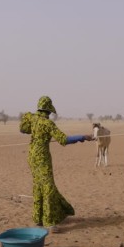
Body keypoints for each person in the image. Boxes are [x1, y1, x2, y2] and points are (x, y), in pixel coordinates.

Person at [20, 96, 93, 233]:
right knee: (48, 187)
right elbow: (63, 140)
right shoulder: (48, 124)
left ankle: (38, 218)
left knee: (38, 185)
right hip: (42, 157)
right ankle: (48, 222)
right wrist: (82, 137)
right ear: (48, 110)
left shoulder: (32, 118)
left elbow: (23, 129)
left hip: (31, 156)